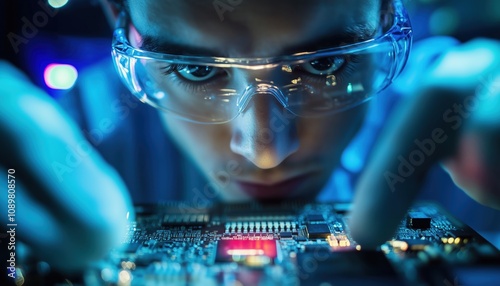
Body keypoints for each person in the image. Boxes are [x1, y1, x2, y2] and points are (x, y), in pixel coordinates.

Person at [1, 0, 499, 274]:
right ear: (119, 17)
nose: (264, 152)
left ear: (388, 12)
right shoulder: (67, 145)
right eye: (195, 70)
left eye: (324, 64)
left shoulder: (463, 133)